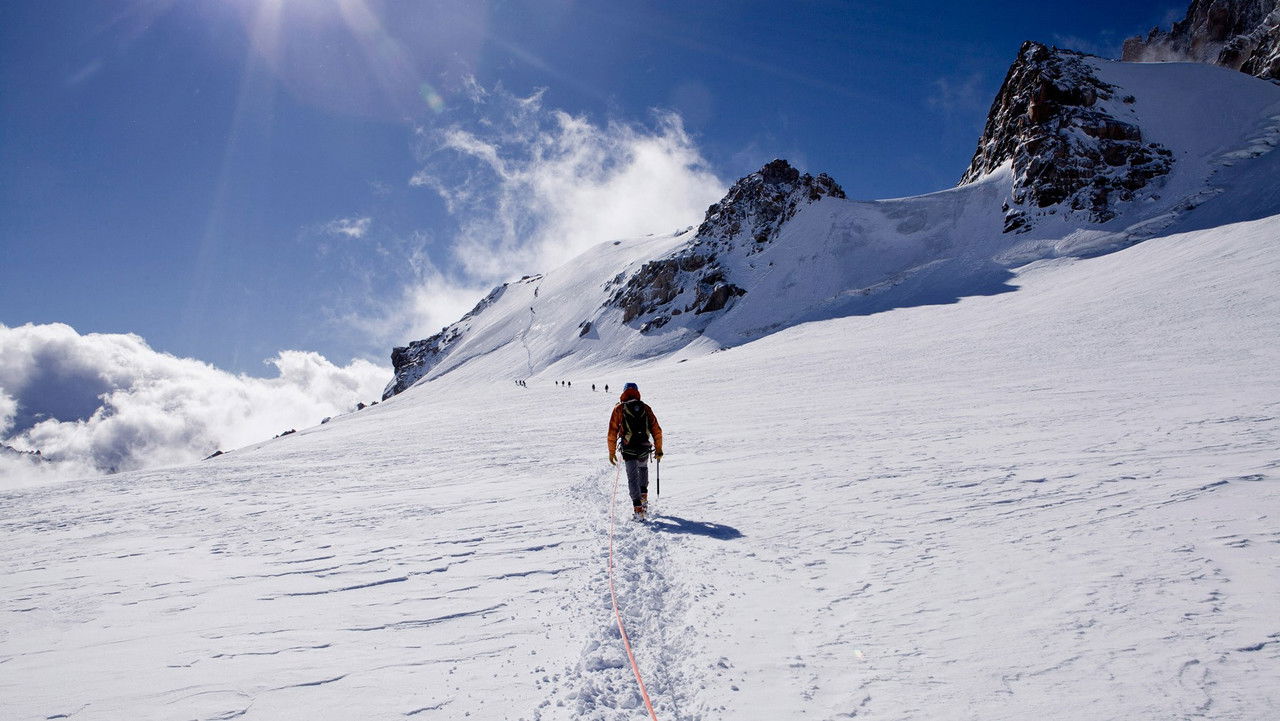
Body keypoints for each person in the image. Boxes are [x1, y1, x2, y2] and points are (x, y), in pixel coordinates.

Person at [607, 382, 663, 515]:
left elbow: (612, 432)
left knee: (632, 477)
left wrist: (611, 451)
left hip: (628, 449)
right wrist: (659, 449)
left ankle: (638, 509)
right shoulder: (645, 407)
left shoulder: (619, 408)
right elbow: (656, 430)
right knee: (643, 468)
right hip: (644, 447)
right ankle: (644, 496)